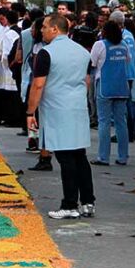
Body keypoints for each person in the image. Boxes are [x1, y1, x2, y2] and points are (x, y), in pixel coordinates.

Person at [26, 13, 94, 219]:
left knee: (66, 157)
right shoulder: (82, 52)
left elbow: (38, 84)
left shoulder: (47, 53)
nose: (42, 30)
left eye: (45, 27)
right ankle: (88, 201)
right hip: (77, 107)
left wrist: (30, 112)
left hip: (57, 108)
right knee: (79, 155)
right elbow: (87, 81)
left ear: (55, 29)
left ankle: (70, 203)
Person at [90, 21, 133, 166]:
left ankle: (103, 156)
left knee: (104, 122)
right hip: (121, 87)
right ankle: (123, 156)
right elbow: (128, 60)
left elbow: (93, 63)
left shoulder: (100, 45)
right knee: (121, 122)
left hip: (104, 86)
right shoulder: (124, 45)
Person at [0, 10, 20, 126]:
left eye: (2, 19)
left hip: (7, 66)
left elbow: (8, 50)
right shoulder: (3, 29)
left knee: (10, 93)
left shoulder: (11, 32)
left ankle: (10, 118)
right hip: (1, 64)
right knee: (0, 90)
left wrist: (3, 58)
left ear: (7, 18)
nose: (1, 22)